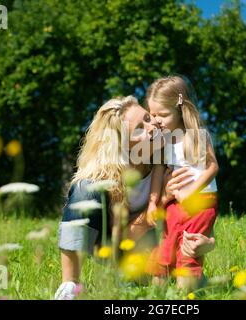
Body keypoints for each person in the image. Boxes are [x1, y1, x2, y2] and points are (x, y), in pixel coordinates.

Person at [54, 95, 214, 300]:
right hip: (112, 244)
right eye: (140, 128)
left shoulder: (173, 161)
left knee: (173, 285)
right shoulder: (106, 176)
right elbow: (120, 238)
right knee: (84, 188)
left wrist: (208, 242)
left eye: (148, 117)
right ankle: (69, 287)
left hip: (154, 247)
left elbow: (202, 214)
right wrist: (162, 200)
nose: (152, 126)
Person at [145, 76, 219, 290]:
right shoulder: (164, 138)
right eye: (152, 114)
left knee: (189, 249)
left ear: (179, 109)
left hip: (200, 202)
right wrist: (153, 202)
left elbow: (213, 167)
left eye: (163, 115)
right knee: (165, 251)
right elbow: (159, 170)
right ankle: (159, 293)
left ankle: (186, 290)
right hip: (174, 204)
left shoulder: (196, 135)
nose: (156, 119)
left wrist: (192, 193)